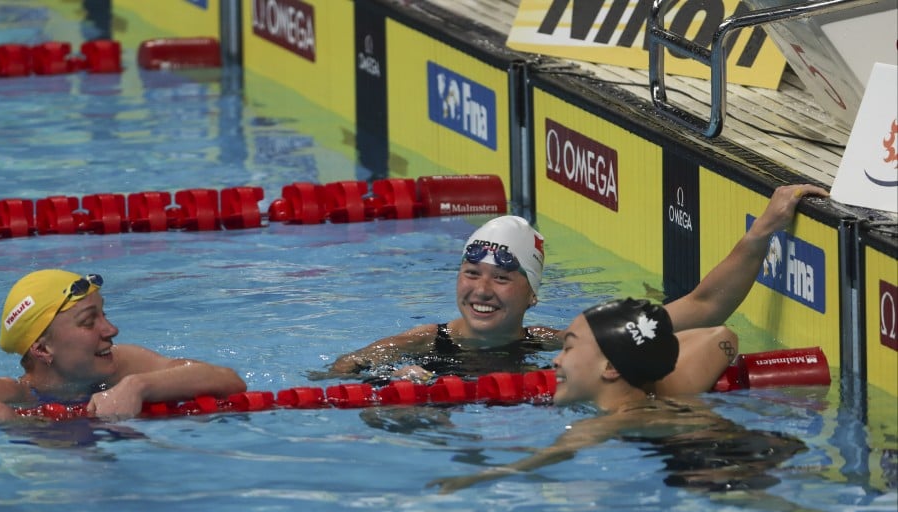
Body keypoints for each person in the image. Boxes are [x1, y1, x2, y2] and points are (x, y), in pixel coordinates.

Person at [324, 183, 828, 394]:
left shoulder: (558, 342)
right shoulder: (423, 342)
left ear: (531, 294)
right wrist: (387, 381)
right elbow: (336, 373)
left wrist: (762, 230)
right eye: (471, 273)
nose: (482, 289)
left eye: (502, 277)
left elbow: (701, 305)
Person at [430, 297, 807, 493]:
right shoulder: (673, 390)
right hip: (764, 446)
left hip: (713, 473)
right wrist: (645, 362)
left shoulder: (619, 420)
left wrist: (470, 480)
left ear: (610, 369)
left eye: (571, 348)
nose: (557, 360)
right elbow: (722, 336)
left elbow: (547, 457)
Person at [0, 269, 247, 423]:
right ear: (42, 350)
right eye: (90, 322)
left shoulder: (123, 367)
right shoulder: (11, 395)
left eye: (104, 315)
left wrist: (139, 385)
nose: (112, 330)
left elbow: (227, 380)